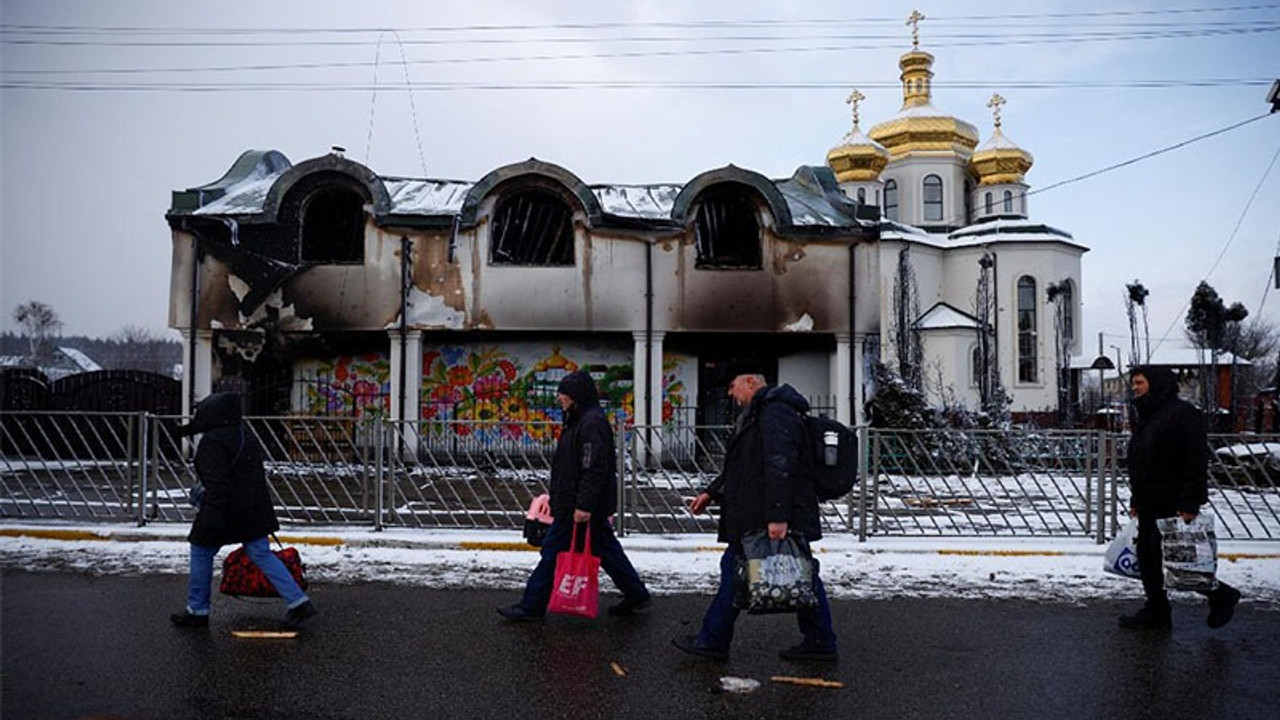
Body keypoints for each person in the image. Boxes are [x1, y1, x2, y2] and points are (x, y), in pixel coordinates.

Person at [673, 363, 838, 661]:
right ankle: (820, 640)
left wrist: (778, 516)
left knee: (745, 571)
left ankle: (713, 640)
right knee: (799, 572)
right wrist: (712, 492)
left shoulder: (775, 412)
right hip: (758, 511)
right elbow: (743, 465)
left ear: (750, 381)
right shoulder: (761, 413)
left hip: (765, 514)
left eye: (733, 385)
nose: (730, 393)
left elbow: (780, 464)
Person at [497, 371, 652, 620]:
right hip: (577, 502)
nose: (559, 398)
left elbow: (594, 468)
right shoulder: (580, 420)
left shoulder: (590, 423)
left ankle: (531, 606)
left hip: (578, 507)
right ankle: (636, 593)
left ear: (575, 396)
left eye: (564, 394)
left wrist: (583, 506)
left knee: (552, 553)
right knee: (607, 551)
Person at [169, 392, 317, 629]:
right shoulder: (243, 434)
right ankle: (298, 602)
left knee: (201, 549)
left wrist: (211, 518)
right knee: (261, 553)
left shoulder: (212, 442)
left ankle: (197, 609)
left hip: (226, 509)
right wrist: (183, 430)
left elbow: (217, 484)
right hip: (253, 509)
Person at [1121, 366, 1242, 630]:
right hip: (1150, 499)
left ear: (1156, 383)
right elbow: (1142, 460)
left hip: (1172, 500)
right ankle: (1157, 611)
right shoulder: (1149, 413)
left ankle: (1221, 595)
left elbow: (1195, 461)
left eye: (1139, 382)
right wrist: (1136, 499)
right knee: (1149, 557)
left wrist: (1190, 502)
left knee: (1175, 558)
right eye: (1133, 383)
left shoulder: (1184, 415)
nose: (1135, 387)